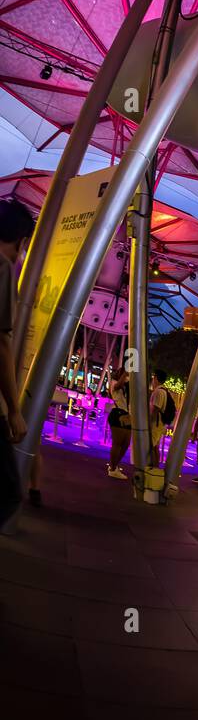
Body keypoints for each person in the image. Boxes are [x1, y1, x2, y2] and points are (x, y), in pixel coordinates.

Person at [0, 199, 36, 528]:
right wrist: (13, 408)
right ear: (22, 240)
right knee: (9, 492)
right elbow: (1, 341)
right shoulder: (2, 267)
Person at [106, 365, 132, 479]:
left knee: (125, 444)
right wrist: (125, 374)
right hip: (118, 413)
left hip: (127, 415)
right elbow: (118, 386)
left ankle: (114, 465)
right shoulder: (114, 383)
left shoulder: (127, 385)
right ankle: (112, 468)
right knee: (117, 443)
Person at [148, 368, 169, 465]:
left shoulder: (159, 392)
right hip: (158, 423)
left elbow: (156, 409)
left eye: (153, 377)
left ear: (156, 378)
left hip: (156, 423)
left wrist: (149, 422)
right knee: (155, 446)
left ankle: (153, 467)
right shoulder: (162, 390)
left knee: (151, 445)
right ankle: (155, 468)